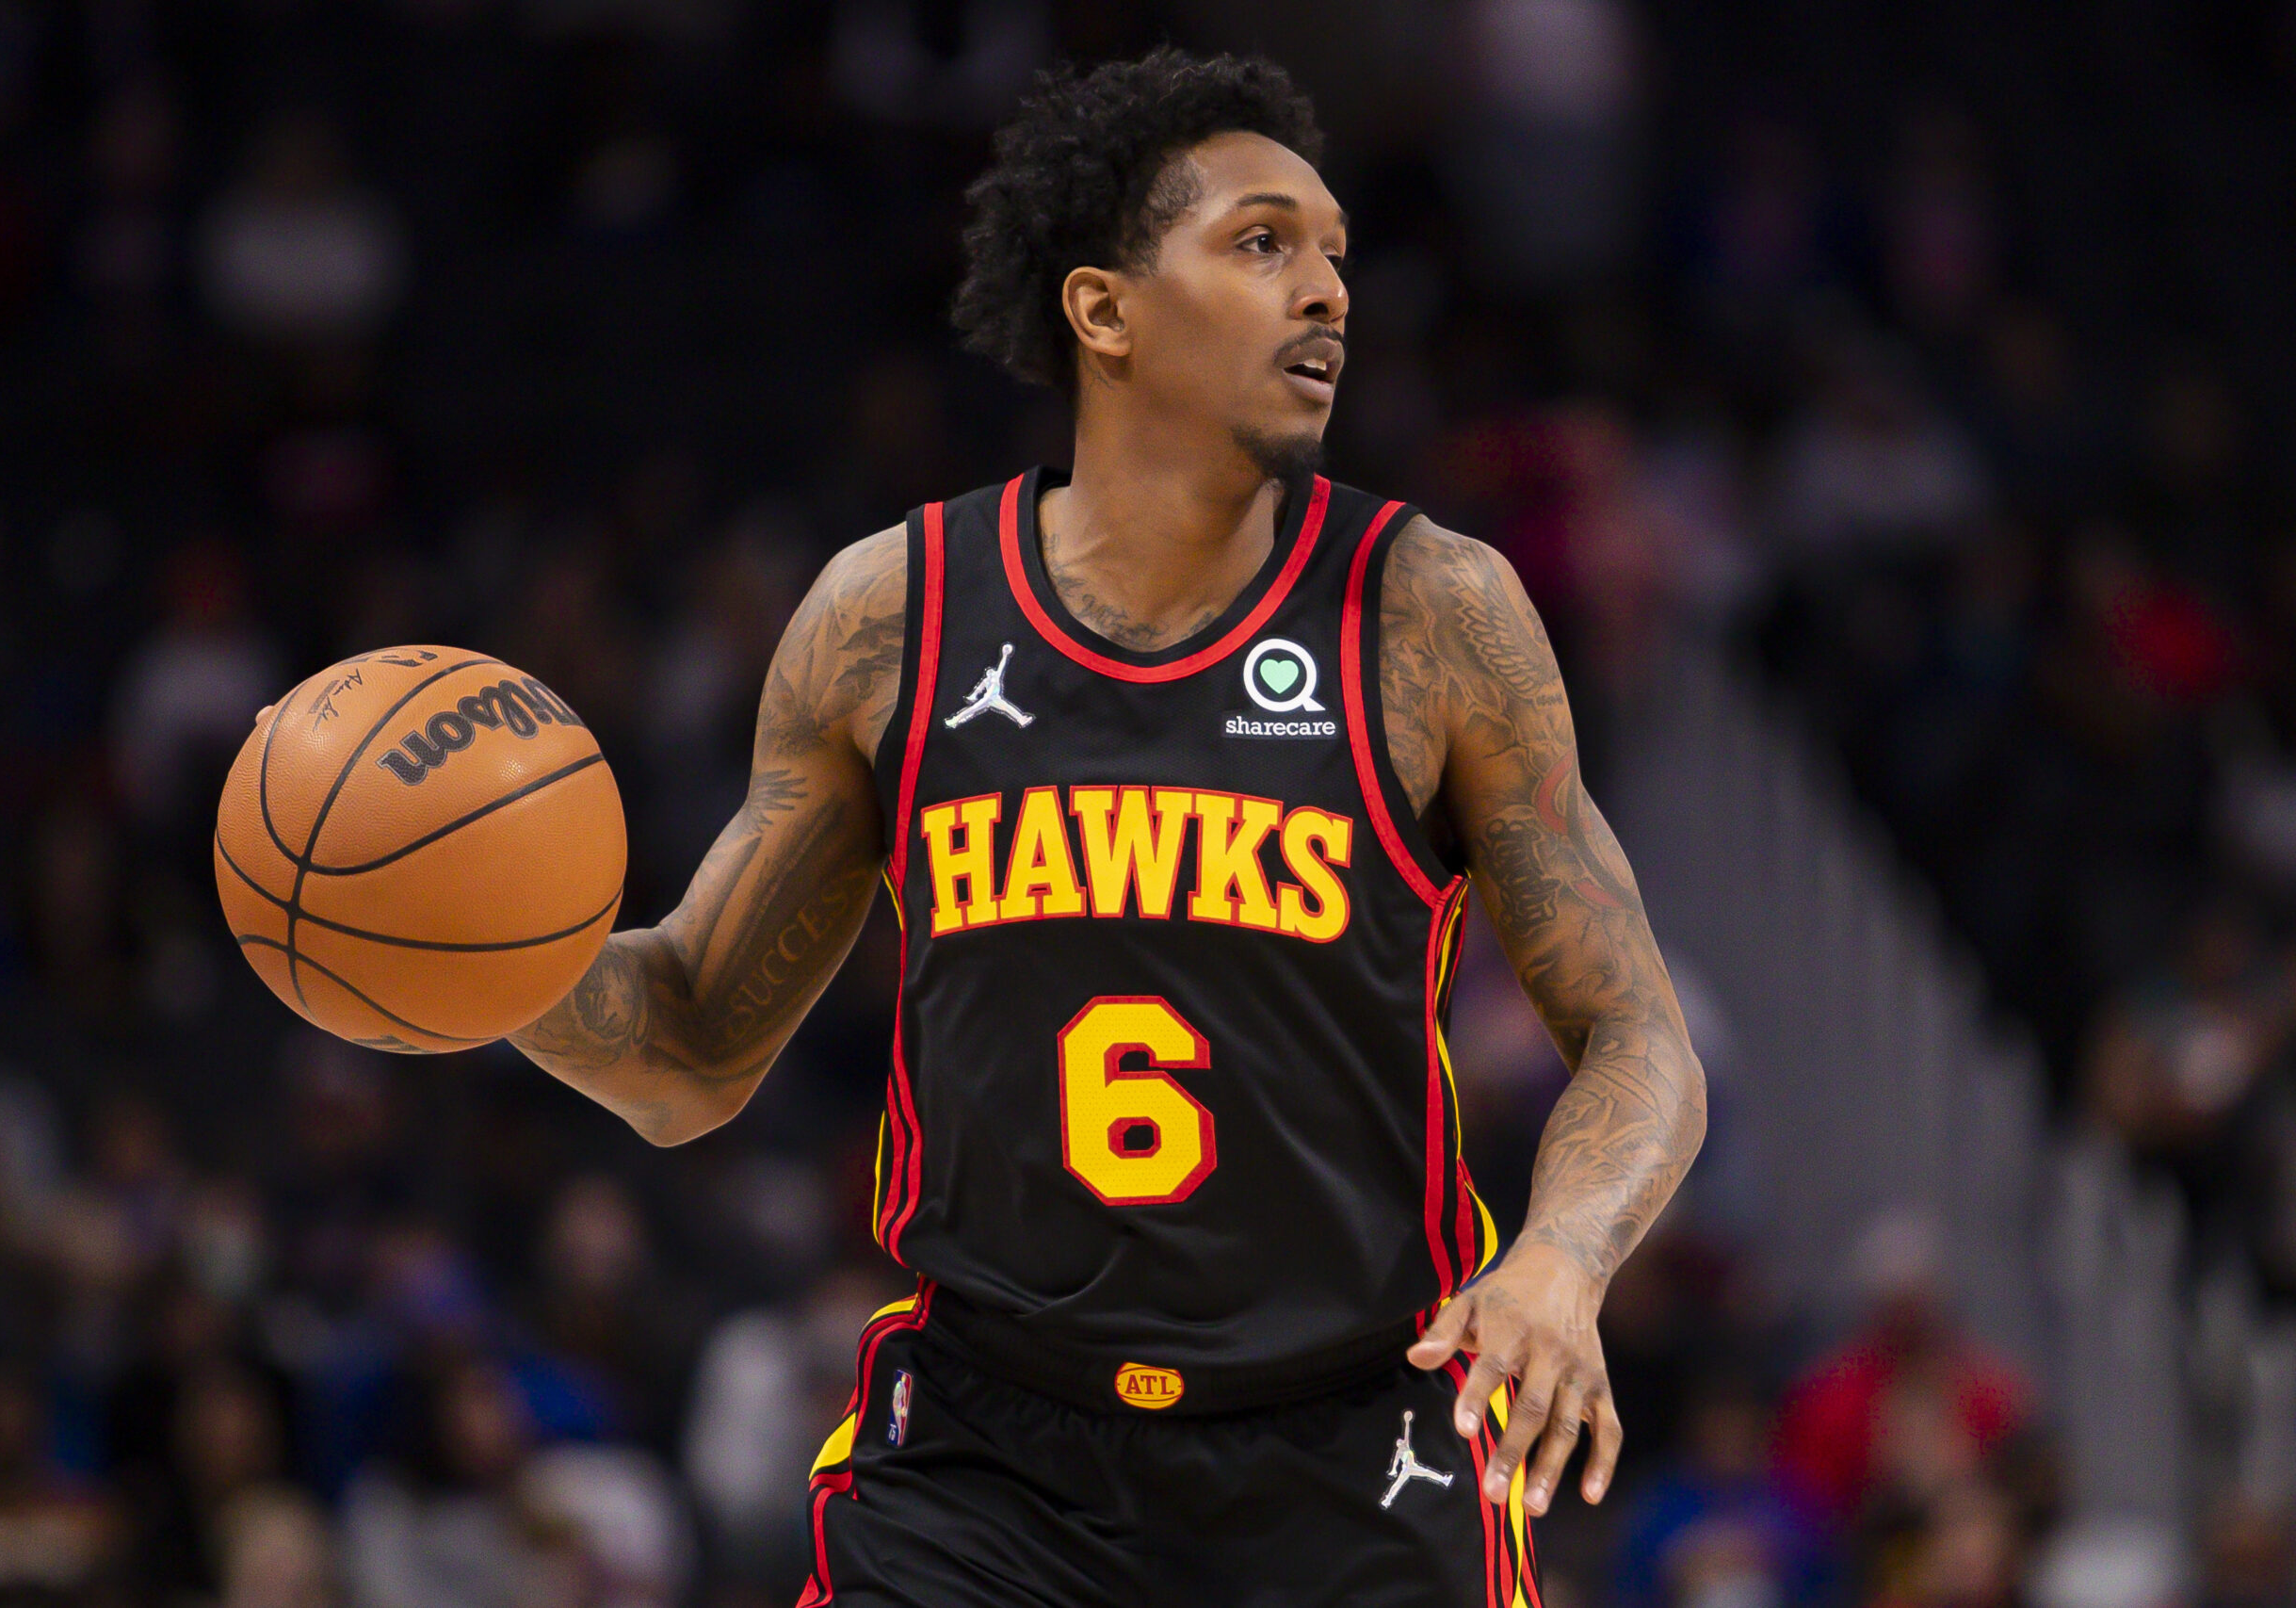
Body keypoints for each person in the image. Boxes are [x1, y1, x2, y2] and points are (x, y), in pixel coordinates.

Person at [510, 47, 1706, 1607]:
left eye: (1337, 254)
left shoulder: (1430, 614)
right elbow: (685, 1047)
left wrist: (1563, 1254)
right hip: (993, 1461)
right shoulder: (896, 617)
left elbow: (1638, 1036)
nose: (1330, 293)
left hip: (1350, 1444)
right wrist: (485, 971)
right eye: (1264, 243)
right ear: (1105, 308)